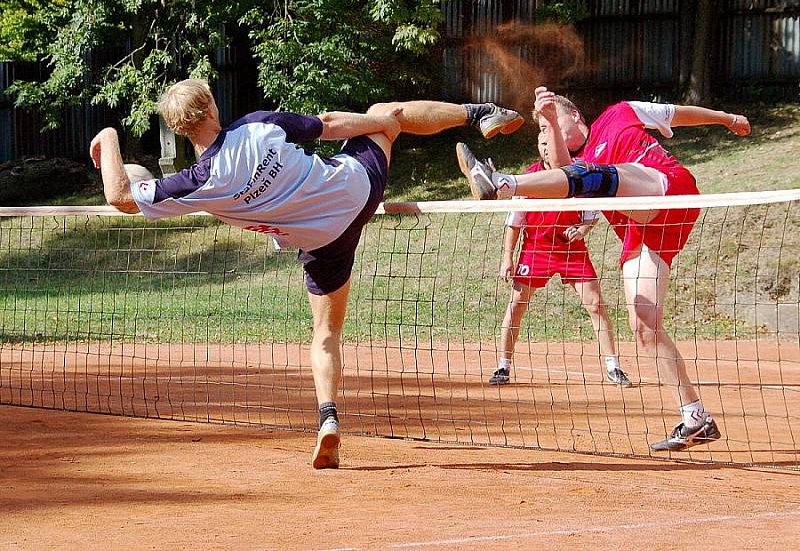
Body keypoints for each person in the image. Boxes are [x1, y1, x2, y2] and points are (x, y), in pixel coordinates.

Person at [89, 78, 524, 469]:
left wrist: (108, 136)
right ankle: (479, 114)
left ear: (180, 128)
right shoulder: (257, 127)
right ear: (212, 108)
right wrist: (381, 123)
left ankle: (328, 418)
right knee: (387, 110)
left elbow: (119, 194)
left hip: (320, 241)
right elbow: (331, 124)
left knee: (325, 333)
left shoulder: (195, 184)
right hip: (354, 191)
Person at [457, 85, 751, 451]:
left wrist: (725, 118)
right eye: (543, 133)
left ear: (576, 116)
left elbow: (679, 113)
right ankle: (696, 417)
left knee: (596, 176)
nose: (546, 138)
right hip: (642, 232)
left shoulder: (620, 113)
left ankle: (501, 183)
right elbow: (567, 177)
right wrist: (547, 118)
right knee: (644, 323)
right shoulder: (579, 167)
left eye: (552, 127)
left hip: (668, 189)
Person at [483, 130, 631, 388]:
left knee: (595, 304)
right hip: (536, 248)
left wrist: (581, 231)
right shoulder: (528, 179)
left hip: (571, 250)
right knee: (517, 305)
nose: (547, 148)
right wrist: (507, 257)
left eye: (551, 143)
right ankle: (503, 367)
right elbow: (514, 222)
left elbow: (591, 215)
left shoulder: (581, 173)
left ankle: (613, 366)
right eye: (542, 144)